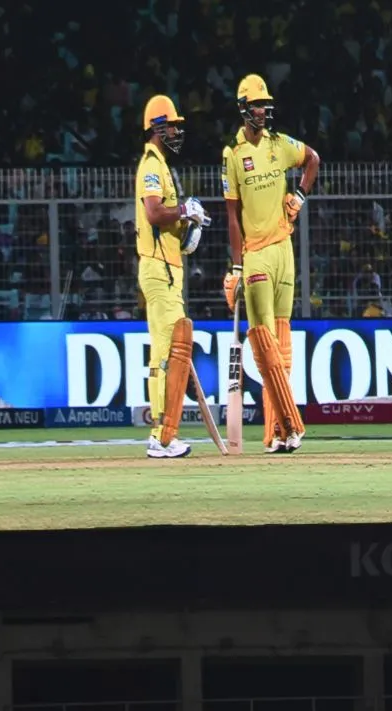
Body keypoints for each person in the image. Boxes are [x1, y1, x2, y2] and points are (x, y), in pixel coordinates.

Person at [222, 74, 318, 453]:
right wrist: (235, 267)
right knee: (263, 344)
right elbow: (232, 216)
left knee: (282, 344)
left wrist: (299, 196)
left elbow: (313, 159)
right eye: (257, 105)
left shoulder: (280, 145)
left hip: (284, 249)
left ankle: (276, 432)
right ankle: (291, 426)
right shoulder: (232, 153)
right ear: (244, 108)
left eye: (266, 104)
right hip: (257, 253)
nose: (264, 110)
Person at [133, 94, 212, 459]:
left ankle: (161, 433)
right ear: (157, 127)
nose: (178, 131)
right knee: (168, 353)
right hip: (159, 269)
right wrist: (185, 209)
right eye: (173, 126)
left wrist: (188, 226)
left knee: (166, 352)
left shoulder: (162, 165)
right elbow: (152, 213)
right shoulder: (152, 164)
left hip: (166, 267)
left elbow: (168, 223)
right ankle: (163, 436)